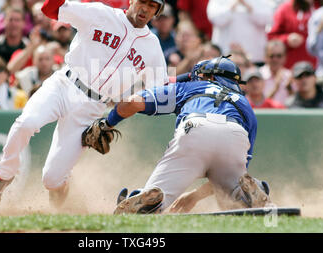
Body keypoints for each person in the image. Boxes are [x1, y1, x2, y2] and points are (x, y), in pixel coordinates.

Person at [0, 0, 169, 213]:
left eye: (152, 5)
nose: (145, 8)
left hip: (93, 108)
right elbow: (49, 10)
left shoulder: (152, 47)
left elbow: (161, 91)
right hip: (65, 84)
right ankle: (1, 177)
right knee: (26, 123)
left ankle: (63, 200)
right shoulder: (100, 14)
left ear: (158, 11)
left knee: (52, 179)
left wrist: (190, 79)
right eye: (142, 0)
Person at [104, 56, 270, 214]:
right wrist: (194, 196)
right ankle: (245, 195)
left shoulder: (191, 87)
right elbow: (244, 163)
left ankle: (148, 204)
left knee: (158, 194)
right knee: (232, 198)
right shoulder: (246, 105)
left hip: (196, 130)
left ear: (209, 77)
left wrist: (108, 123)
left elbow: (132, 102)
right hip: (235, 133)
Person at [207, 0, 273, 65]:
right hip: (225, 58)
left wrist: (247, 5)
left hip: (255, 57)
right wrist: (235, 2)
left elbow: (267, 19)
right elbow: (216, 19)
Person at [267, 0, 323, 70]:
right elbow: (271, 36)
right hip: (293, 68)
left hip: (322, 66)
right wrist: (287, 39)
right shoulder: (285, 9)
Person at [259, 40, 293, 106]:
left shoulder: (290, 76)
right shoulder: (258, 76)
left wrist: (289, 89)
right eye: (271, 56)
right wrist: (275, 89)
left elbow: (296, 103)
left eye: (279, 56)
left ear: (285, 57)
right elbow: (258, 104)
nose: (275, 59)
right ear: (265, 57)